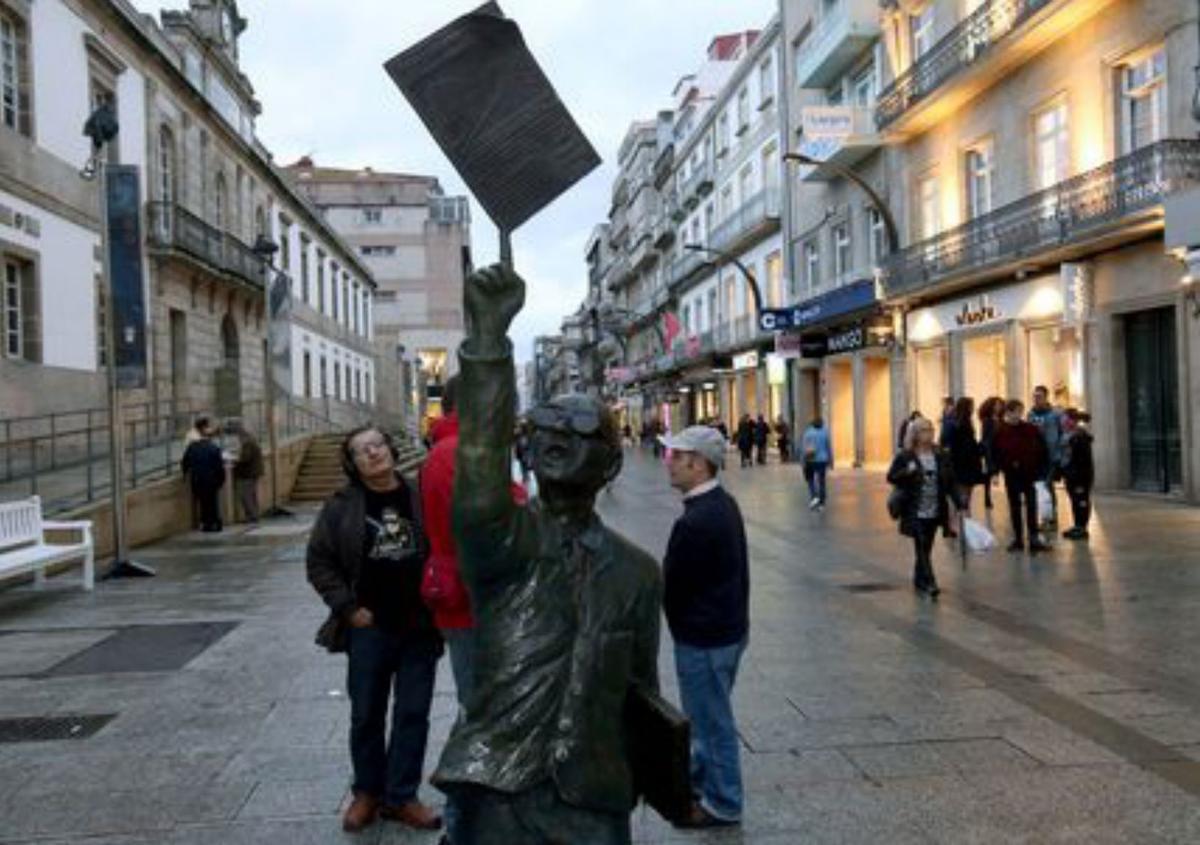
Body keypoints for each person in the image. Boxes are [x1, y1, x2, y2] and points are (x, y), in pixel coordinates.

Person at [431, 264, 661, 845]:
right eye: (542, 427)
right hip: (499, 784)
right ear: (525, 450)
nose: (556, 435)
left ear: (609, 464)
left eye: (581, 430)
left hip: (595, 794)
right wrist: (488, 339)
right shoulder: (502, 543)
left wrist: (665, 781)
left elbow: (640, 692)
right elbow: (480, 464)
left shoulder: (637, 573)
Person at [306, 426, 443, 834]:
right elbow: (319, 563)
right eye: (363, 451)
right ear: (353, 463)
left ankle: (401, 796)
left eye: (378, 445)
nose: (374, 453)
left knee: (413, 713)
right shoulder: (341, 507)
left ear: (391, 450)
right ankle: (367, 792)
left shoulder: (420, 496)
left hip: (420, 625)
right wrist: (347, 609)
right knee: (366, 713)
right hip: (370, 628)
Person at [659, 425, 750, 828]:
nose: (669, 463)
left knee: (713, 723)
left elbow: (674, 584)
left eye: (676, 456)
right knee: (706, 716)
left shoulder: (697, 521)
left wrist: (680, 626)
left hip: (705, 636)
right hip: (725, 629)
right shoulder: (721, 504)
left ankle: (723, 803)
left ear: (698, 464)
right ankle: (699, 778)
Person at [887, 416, 962, 597]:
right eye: (923, 430)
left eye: (930, 429)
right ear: (915, 434)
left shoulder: (940, 454)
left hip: (935, 508)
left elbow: (951, 481)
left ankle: (919, 578)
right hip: (914, 508)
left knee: (926, 547)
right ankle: (930, 582)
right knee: (921, 545)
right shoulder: (906, 456)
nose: (928, 434)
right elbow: (891, 477)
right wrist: (908, 472)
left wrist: (960, 501)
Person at [993, 399, 1050, 553]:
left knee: (1032, 506)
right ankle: (1018, 539)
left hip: (1029, 473)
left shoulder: (1031, 429)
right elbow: (995, 453)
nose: (1018, 415)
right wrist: (997, 471)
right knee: (1015, 507)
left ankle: (1033, 538)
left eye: (1020, 411)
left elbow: (1042, 449)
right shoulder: (1000, 431)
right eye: (1015, 412)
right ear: (1008, 413)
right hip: (1011, 475)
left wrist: (1042, 470)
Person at [1028, 385, 1065, 525]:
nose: (1036, 399)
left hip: (1052, 456)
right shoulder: (1031, 414)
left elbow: (1062, 432)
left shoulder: (1055, 414)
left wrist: (1060, 453)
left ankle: (1051, 515)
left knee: (1047, 485)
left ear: (1046, 397)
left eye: (1039, 396)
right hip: (1036, 456)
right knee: (1040, 486)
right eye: (1035, 396)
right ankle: (1045, 514)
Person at [181, 419, 225, 532]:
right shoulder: (214, 448)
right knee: (212, 502)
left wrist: (184, 474)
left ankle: (206, 523)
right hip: (211, 480)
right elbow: (219, 466)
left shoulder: (192, 447)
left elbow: (185, 462)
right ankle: (216, 522)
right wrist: (221, 480)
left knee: (203, 503)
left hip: (198, 480)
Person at [1060, 409, 1094, 540]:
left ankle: (1082, 528)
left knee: (1081, 500)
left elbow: (1082, 460)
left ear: (1072, 421)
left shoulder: (1080, 437)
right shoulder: (1069, 436)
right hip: (1071, 474)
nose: (1063, 422)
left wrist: (1077, 476)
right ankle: (1077, 525)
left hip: (1080, 476)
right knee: (1075, 500)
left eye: (1066, 419)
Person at [945, 397, 983, 514]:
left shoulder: (959, 422)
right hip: (965, 462)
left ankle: (963, 518)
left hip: (963, 462)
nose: (973, 408)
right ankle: (963, 520)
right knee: (964, 494)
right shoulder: (960, 423)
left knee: (964, 493)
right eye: (971, 406)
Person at [231, 425, 264, 524]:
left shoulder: (247, 443)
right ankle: (254, 515)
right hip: (253, 472)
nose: (238, 439)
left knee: (246, 495)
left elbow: (245, 458)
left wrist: (235, 460)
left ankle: (251, 516)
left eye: (238, 437)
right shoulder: (252, 441)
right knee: (251, 495)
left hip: (248, 474)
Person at [800, 417, 832, 510]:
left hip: (810, 459)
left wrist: (802, 461)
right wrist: (831, 460)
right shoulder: (825, 433)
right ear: (822, 424)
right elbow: (828, 447)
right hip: (822, 460)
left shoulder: (808, 433)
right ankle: (822, 501)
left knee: (810, 480)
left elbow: (803, 448)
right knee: (821, 481)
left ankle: (814, 496)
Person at [978, 397, 1003, 510]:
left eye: (1000, 405)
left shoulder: (1001, 419)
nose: (998, 407)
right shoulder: (987, 420)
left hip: (1001, 448)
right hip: (991, 449)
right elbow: (985, 438)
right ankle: (987, 498)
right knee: (988, 475)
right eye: (996, 405)